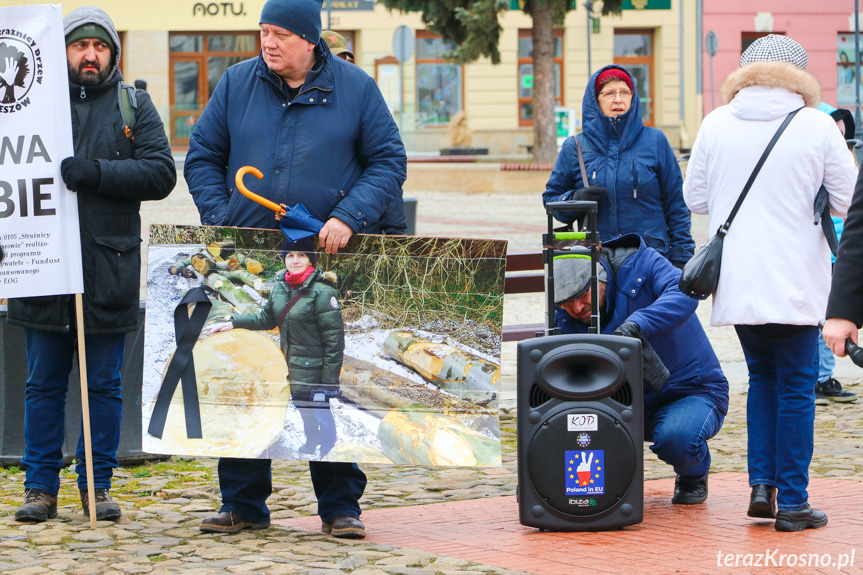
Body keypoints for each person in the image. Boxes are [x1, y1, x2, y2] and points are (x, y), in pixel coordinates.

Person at [184, 0, 407, 538]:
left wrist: (349, 216)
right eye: (263, 31)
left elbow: (388, 161)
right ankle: (241, 503)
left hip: (324, 261)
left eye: (281, 32)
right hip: (254, 261)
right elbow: (202, 157)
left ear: (310, 39)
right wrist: (224, 220)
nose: (269, 42)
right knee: (247, 374)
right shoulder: (237, 83)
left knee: (319, 376)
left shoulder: (354, 87)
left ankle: (339, 507)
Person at [8, 5, 176, 523]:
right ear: (62, 51)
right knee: (42, 385)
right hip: (43, 268)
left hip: (109, 270)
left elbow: (160, 174)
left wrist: (97, 172)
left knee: (102, 387)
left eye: (99, 47)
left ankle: (96, 486)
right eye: (80, 45)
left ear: (113, 54)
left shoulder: (134, 106)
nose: (89, 55)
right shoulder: (27, 109)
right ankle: (40, 487)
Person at [683, 34, 857, 531]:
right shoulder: (816, 126)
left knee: (762, 380)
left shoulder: (716, 122)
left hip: (738, 281)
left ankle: (762, 488)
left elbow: (696, 197)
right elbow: (850, 200)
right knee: (798, 388)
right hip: (797, 281)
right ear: (800, 78)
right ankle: (796, 502)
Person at [553, 234, 728, 504]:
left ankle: (693, 473)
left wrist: (639, 324)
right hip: (622, 402)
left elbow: (685, 294)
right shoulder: (565, 314)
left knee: (677, 438)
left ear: (599, 277)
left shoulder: (643, 262)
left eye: (583, 295)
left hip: (689, 390)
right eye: (566, 303)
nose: (577, 308)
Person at [543, 64, 695, 268]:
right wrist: (577, 200)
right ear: (595, 100)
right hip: (597, 263)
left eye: (625, 92)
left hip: (650, 258)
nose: (618, 99)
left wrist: (681, 258)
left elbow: (677, 204)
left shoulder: (655, 141)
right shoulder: (575, 147)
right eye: (609, 93)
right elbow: (551, 201)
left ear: (633, 97)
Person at [209, 238, 342, 457]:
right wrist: (233, 322)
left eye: (301, 255)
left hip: (317, 369)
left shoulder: (323, 292)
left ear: (311, 260)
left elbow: (334, 341)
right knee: (303, 408)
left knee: (319, 411)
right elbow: (266, 319)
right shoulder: (281, 287)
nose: (295, 260)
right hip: (291, 364)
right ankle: (312, 440)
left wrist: (328, 382)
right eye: (290, 255)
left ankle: (330, 448)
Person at [321, 30, 407, 235]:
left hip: (361, 229)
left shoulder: (362, 98)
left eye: (344, 60)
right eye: (333, 59)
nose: (340, 66)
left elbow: (385, 163)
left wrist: (396, 232)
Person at [813, 104, 857, 405]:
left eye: (844, 136)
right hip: (821, 253)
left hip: (840, 256)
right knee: (819, 321)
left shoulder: (848, 165)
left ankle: (824, 377)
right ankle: (817, 378)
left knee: (829, 319)